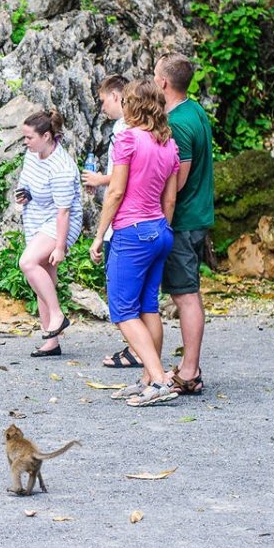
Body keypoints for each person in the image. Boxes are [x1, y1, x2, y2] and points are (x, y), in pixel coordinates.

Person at [89, 79, 181, 406]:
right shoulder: (169, 145)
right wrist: (160, 231)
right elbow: (170, 201)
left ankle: (157, 379)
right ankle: (148, 378)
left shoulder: (127, 138)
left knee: (124, 312)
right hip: (160, 230)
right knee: (148, 307)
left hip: (131, 232)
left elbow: (115, 191)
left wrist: (99, 235)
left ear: (133, 106)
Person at [156, 53, 213, 396]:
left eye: (154, 75)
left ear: (163, 83)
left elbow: (176, 182)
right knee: (187, 292)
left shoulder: (177, 122)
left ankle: (190, 370)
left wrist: (161, 222)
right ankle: (188, 365)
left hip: (184, 219)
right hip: (197, 215)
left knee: (186, 295)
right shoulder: (196, 110)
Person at [83, 74, 144, 370]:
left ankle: (141, 355)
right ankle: (139, 350)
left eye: (103, 100)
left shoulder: (124, 129)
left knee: (122, 298)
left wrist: (101, 179)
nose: (102, 107)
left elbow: (125, 177)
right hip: (148, 223)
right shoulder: (143, 129)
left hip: (124, 220)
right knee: (144, 299)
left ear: (118, 97)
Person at [15, 108, 82, 357]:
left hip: (60, 222)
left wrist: (59, 247)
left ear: (46, 136)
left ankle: (57, 316)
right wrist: (24, 194)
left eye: (29, 137)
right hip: (36, 216)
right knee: (44, 279)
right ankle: (51, 341)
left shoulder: (62, 167)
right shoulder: (32, 154)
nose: (25, 142)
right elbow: (27, 181)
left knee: (28, 262)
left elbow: (64, 213)